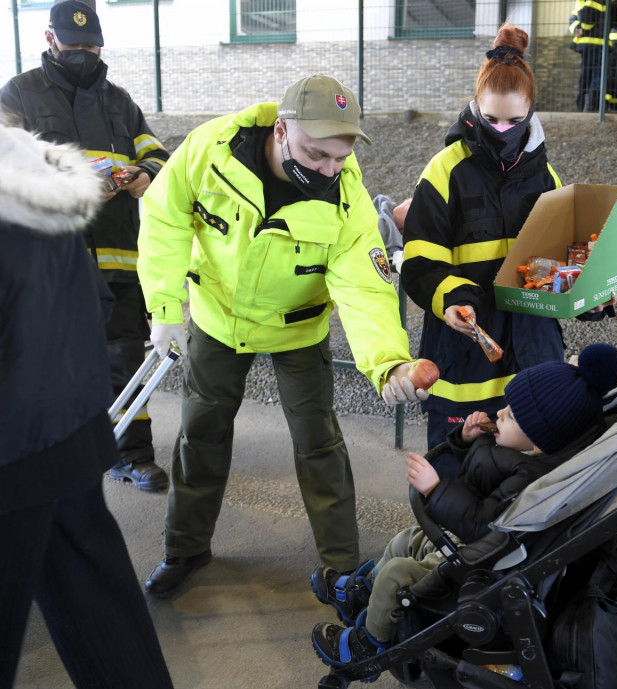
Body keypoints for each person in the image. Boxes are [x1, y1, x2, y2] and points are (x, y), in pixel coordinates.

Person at [136, 73, 429, 600]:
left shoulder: (348, 202)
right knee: (200, 433)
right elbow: (164, 218)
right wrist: (163, 308)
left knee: (319, 442)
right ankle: (184, 548)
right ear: (280, 129)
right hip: (217, 319)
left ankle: (342, 569)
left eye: (339, 160)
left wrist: (388, 364)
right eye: (317, 155)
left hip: (298, 328)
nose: (328, 171)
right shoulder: (210, 150)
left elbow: (365, 286)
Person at [307, 343, 617, 669]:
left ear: (540, 439)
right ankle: (363, 594)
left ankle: (368, 648)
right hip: (469, 543)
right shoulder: (522, 452)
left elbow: (479, 522)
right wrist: (465, 439)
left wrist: (435, 489)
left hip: (479, 563)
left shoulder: (530, 479)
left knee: (397, 575)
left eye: (512, 415)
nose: (500, 413)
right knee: (406, 539)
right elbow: (479, 477)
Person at [0, 124, 175, 689]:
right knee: (99, 606)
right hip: (69, 425)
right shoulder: (25, 166)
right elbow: (94, 300)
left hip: (13, 444)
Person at [402, 24, 614, 451]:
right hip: (465, 352)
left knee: (524, 479)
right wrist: (450, 300)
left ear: (532, 111)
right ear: (475, 107)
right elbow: (420, 262)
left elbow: (561, 269)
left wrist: (594, 295)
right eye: (491, 118)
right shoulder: (444, 170)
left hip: (532, 358)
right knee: (455, 470)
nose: (502, 130)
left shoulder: (547, 177)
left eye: (515, 121)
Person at [0, 0, 171, 492]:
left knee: (126, 357)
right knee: (53, 357)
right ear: (50, 39)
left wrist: (144, 175)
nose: (82, 54)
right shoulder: (19, 94)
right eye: (73, 46)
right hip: (54, 259)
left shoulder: (119, 101)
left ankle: (132, 455)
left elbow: (158, 155)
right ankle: (57, 458)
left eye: (91, 46)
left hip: (119, 255)